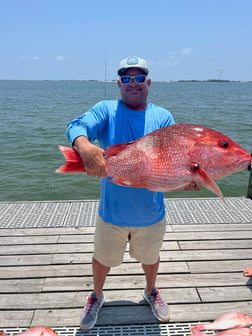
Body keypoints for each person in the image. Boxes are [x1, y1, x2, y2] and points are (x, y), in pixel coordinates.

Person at [66, 56, 175, 330]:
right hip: (112, 212)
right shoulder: (106, 110)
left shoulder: (163, 117)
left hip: (151, 212)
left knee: (150, 258)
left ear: (148, 83)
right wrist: (84, 146)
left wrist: (189, 176)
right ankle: (96, 296)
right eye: (127, 78)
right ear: (119, 84)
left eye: (139, 78)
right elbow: (76, 125)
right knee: (103, 258)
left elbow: (171, 158)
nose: (133, 83)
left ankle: (151, 292)